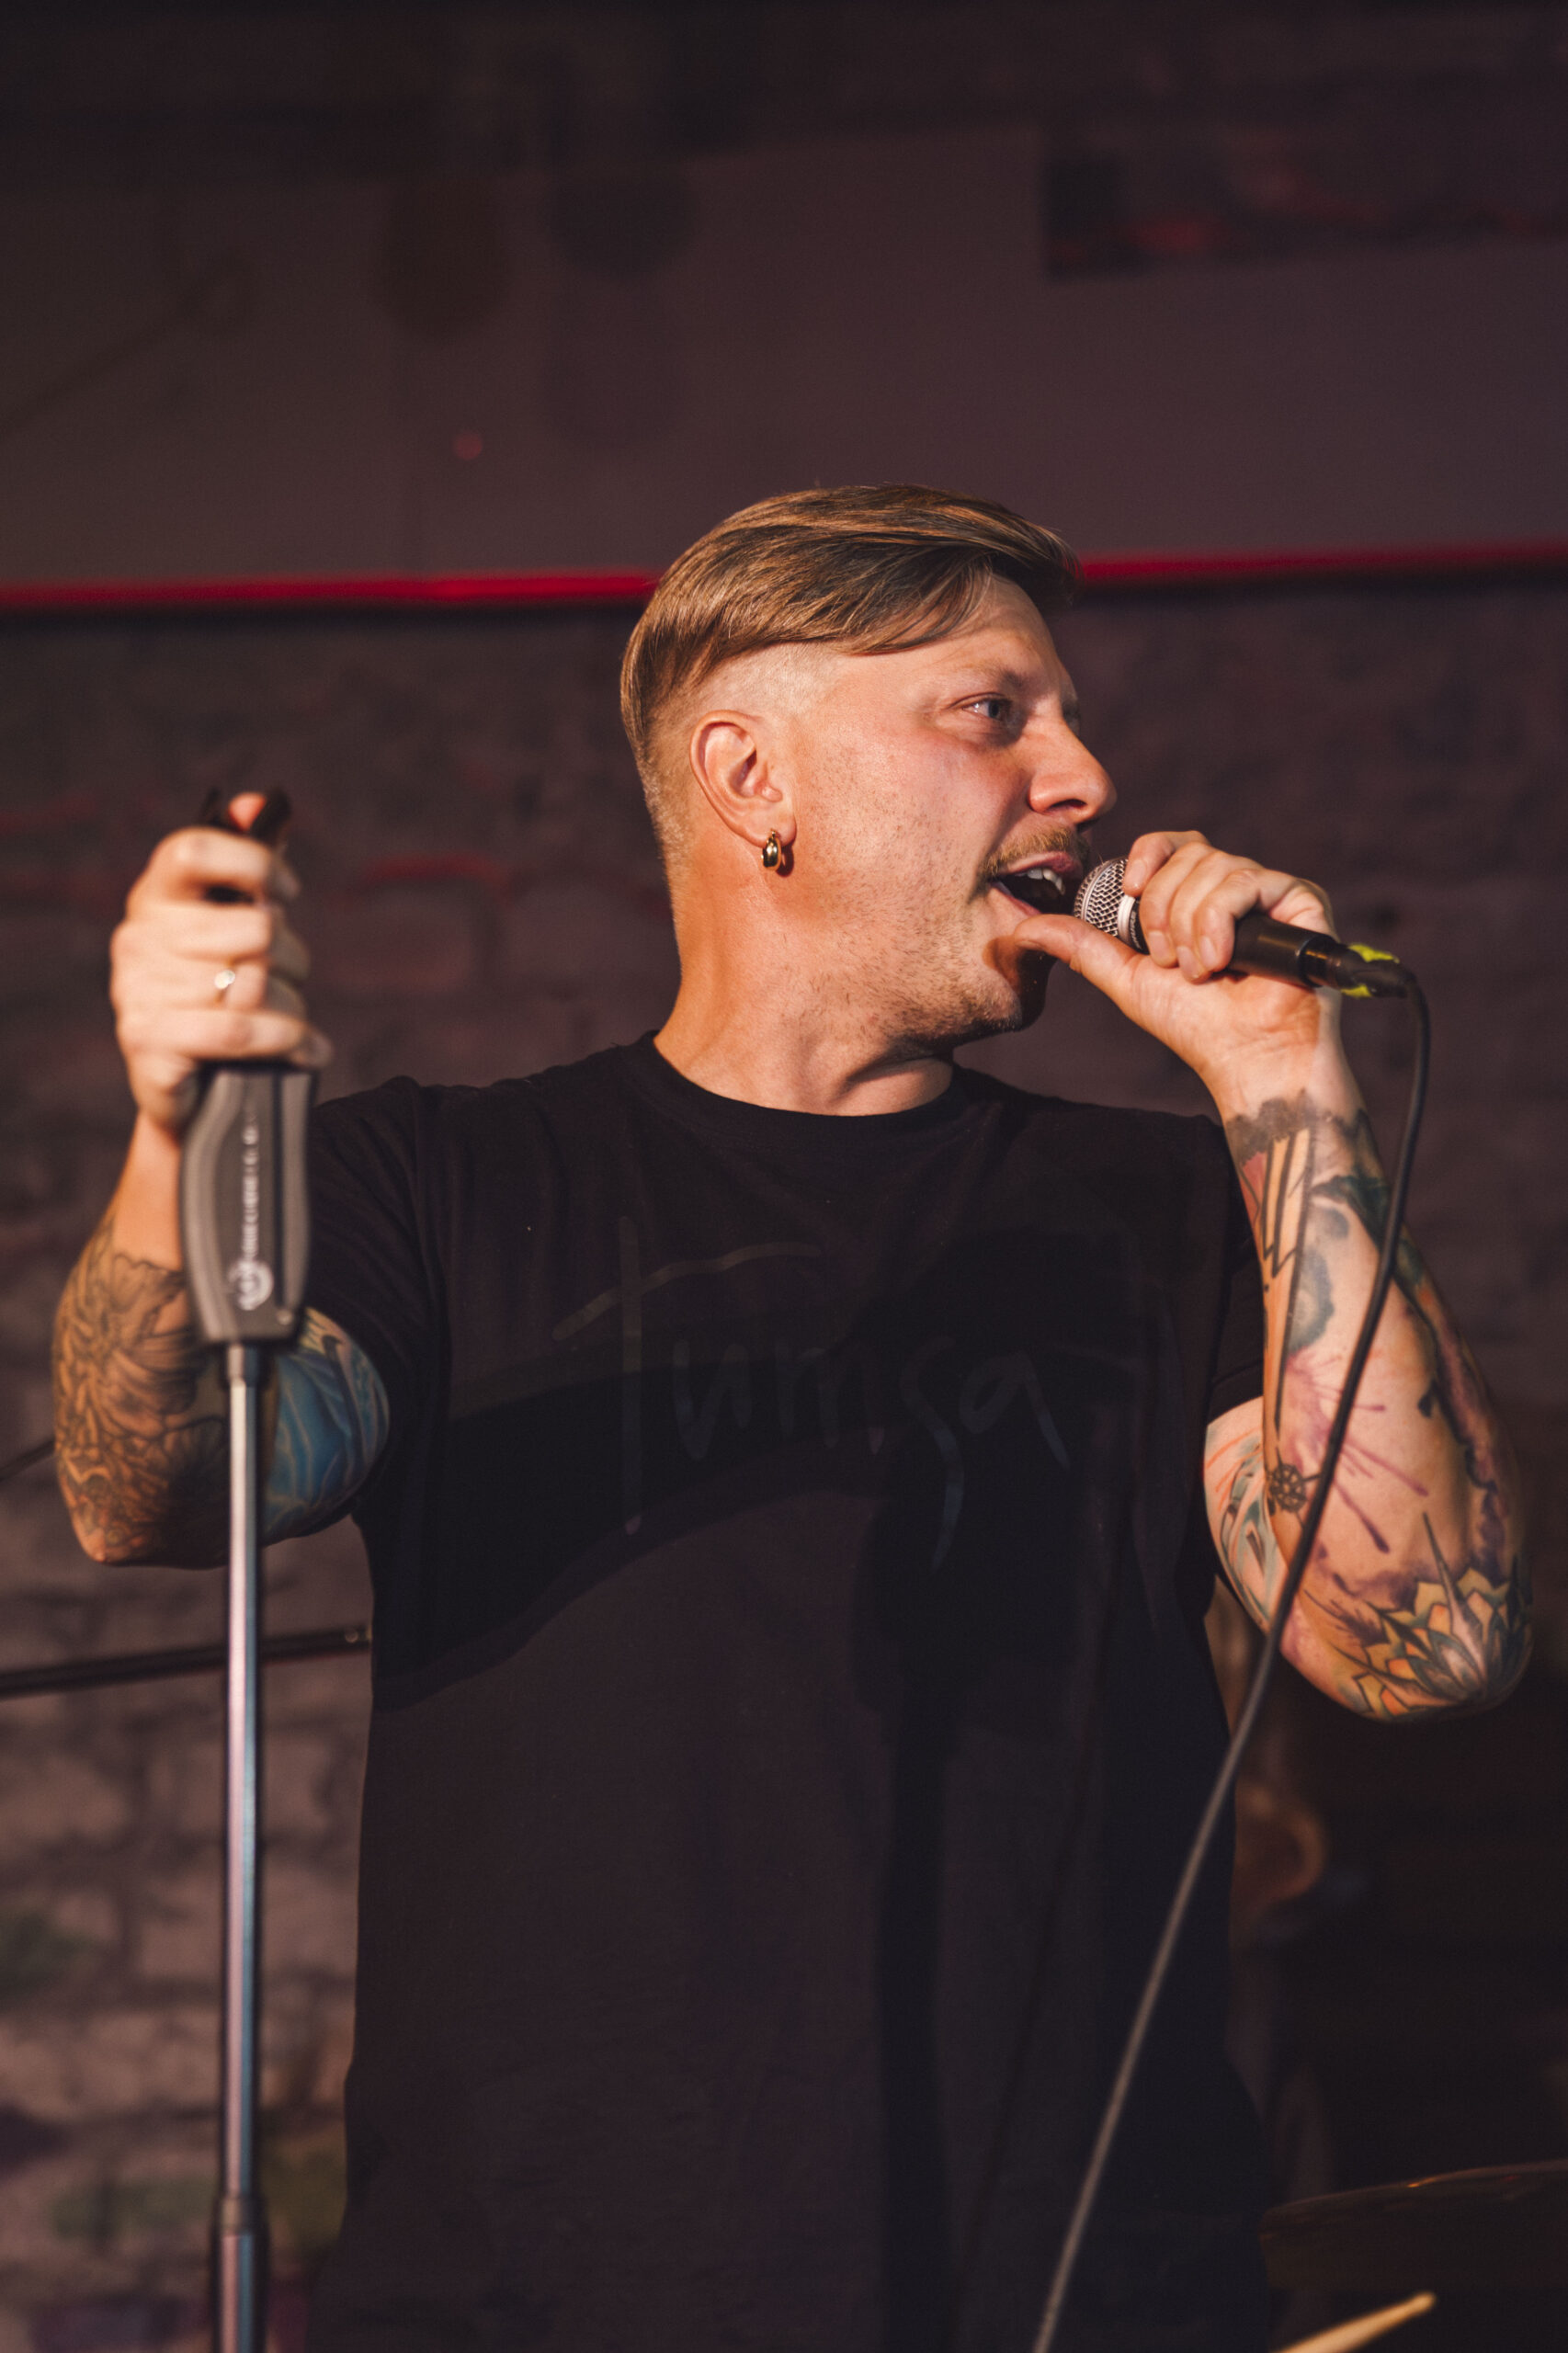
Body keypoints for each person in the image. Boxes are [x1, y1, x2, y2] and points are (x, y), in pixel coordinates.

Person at [52, 487, 1527, 2352]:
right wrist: (178, 1136)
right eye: (992, 713)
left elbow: (1427, 1640)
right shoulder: (436, 1186)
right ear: (754, 777)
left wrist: (1286, 1084)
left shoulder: (1172, 1209)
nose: (1080, 777)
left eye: (1066, 721)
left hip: (1079, 2300)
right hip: (544, 2304)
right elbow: (154, 1485)